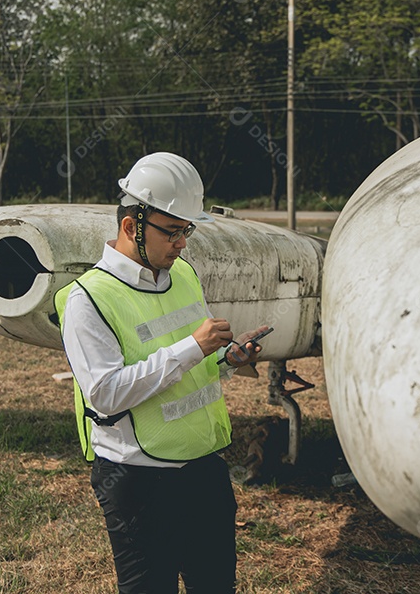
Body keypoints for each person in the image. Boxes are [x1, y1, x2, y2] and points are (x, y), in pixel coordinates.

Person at [54, 152, 267, 594]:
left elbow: (191, 370)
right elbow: (106, 393)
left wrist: (226, 360)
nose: (182, 243)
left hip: (203, 470)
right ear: (132, 226)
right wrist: (193, 347)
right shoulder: (87, 301)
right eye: (172, 232)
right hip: (138, 483)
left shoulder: (183, 275)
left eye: (186, 230)